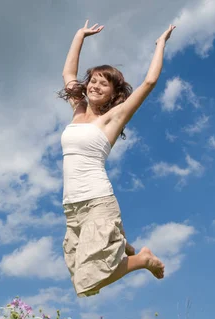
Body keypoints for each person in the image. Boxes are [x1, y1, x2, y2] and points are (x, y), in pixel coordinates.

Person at [58, 20, 175, 297]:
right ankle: (124, 246)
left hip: (97, 199)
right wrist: (79, 35)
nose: (96, 86)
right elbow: (67, 72)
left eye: (104, 84)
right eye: (93, 81)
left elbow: (150, 82)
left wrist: (160, 44)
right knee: (81, 283)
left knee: (89, 282)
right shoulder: (78, 110)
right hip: (72, 206)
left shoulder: (113, 118)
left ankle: (142, 259)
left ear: (114, 94)